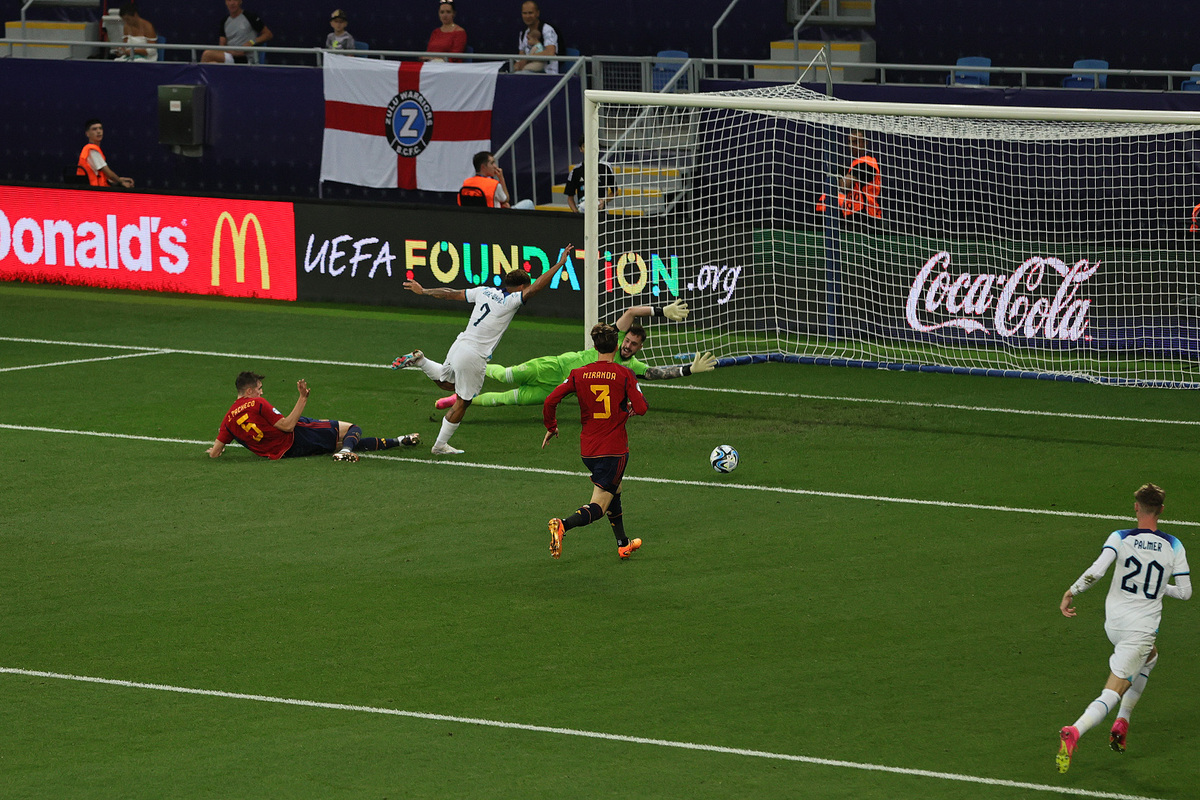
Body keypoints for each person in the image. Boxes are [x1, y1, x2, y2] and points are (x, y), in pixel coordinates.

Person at [1055, 483, 1191, 773]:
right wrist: (1157, 586)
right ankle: (1075, 730)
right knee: (1113, 690)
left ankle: (1122, 721)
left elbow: (1096, 571)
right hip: (1139, 631)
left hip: (1114, 624)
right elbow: (1185, 592)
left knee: (1151, 656)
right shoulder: (1174, 545)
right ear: (1162, 510)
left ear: (1136, 507)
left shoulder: (1120, 537)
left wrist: (1072, 591)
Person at [389, 244, 574, 455]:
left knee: (447, 383)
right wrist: (559, 264)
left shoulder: (484, 291)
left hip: (460, 344)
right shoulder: (511, 301)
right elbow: (537, 287)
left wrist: (424, 291)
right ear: (522, 286)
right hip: (474, 355)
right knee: (463, 402)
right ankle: (439, 446)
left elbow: (450, 293)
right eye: (526, 287)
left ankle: (421, 361)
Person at [433, 301, 715, 409]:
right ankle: (476, 365)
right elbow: (630, 312)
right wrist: (661, 311)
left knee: (506, 400)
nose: (628, 346)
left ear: (639, 348)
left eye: (633, 345)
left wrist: (689, 370)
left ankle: (459, 400)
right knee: (506, 375)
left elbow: (657, 374)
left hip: (560, 388)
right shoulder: (612, 339)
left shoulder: (632, 366)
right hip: (552, 367)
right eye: (628, 340)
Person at [542, 323, 648, 561]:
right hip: (614, 450)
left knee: (614, 489)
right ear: (617, 346)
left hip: (588, 450)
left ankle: (623, 544)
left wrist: (551, 426)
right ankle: (563, 525)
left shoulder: (578, 374)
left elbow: (550, 401)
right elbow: (641, 408)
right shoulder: (624, 374)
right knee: (599, 505)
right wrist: (627, 409)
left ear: (595, 346)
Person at [207, 371, 419, 462]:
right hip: (297, 436)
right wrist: (302, 398)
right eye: (259, 389)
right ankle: (346, 452)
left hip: (285, 453)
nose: (261, 392)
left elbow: (214, 453)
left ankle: (400, 441)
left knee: (338, 443)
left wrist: (221, 448)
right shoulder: (257, 403)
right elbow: (288, 426)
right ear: (249, 391)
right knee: (352, 429)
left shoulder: (228, 420)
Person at [816, 129, 882, 222]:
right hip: (856, 213)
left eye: (855, 142)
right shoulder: (857, 162)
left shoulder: (866, 162)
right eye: (850, 142)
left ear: (865, 143)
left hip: (865, 214)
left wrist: (835, 175)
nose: (851, 146)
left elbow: (844, 186)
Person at [201, 0, 273, 64]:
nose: (232, 3)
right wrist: (232, 52)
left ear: (240, 1)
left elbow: (268, 34)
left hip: (246, 58)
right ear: (226, 2)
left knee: (207, 54)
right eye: (229, 0)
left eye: (235, 0)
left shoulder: (250, 17)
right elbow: (222, 45)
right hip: (231, 56)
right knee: (212, 63)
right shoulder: (224, 21)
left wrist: (251, 42)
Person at [457, 151, 534, 210]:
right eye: (492, 163)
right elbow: (506, 199)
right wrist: (501, 178)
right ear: (483, 167)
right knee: (528, 203)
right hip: (495, 219)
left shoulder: (466, 183)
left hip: (474, 219)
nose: (495, 166)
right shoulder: (494, 184)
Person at [565, 135, 617, 214]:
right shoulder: (576, 171)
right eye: (585, 146)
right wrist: (576, 212)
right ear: (581, 149)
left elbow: (615, 192)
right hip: (583, 215)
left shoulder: (606, 167)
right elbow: (570, 197)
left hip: (602, 214)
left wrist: (603, 201)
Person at [76, 119, 134, 189]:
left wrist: (120, 179)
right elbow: (108, 173)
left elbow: (103, 176)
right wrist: (121, 182)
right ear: (87, 134)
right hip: (92, 191)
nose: (98, 131)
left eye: (100, 128)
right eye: (94, 129)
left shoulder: (93, 149)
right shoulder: (91, 150)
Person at [513, 0, 557, 75]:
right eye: (524, 13)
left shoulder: (547, 30)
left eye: (530, 13)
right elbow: (521, 56)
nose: (527, 16)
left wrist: (527, 59)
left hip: (548, 74)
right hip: (526, 72)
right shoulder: (523, 33)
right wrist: (518, 65)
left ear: (537, 13)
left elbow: (550, 52)